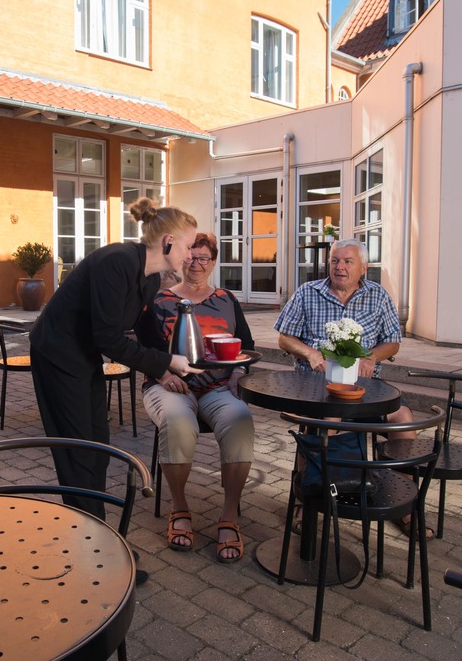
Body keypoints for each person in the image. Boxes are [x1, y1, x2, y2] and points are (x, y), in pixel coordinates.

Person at [30, 198, 203, 523]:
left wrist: (167, 367)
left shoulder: (149, 275)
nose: (192, 255)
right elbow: (108, 339)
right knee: (78, 451)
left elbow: (145, 325)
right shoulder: (117, 263)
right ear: (168, 241)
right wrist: (164, 362)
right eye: (189, 246)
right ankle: (91, 545)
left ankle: (94, 537)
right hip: (57, 353)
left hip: (83, 353)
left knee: (98, 442)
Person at [273, 238, 428, 537]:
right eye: (335, 261)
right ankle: (309, 500)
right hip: (317, 387)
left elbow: (393, 340)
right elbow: (284, 338)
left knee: (403, 419)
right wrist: (310, 353)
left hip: (365, 386)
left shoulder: (378, 296)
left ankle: (404, 503)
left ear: (363, 267)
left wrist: (372, 356)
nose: (339, 267)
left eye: (347, 262)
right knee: (325, 424)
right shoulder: (308, 293)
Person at [135, 232, 254, 563]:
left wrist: (238, 376)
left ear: (213, 263)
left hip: (219, 387)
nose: (196, 264)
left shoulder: (227, 300)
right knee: (177, 421)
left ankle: (228, 515)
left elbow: (247, 346)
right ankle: (179, 506)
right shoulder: (160, 302)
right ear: (181, 258)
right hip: (170, 385)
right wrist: (163, 373)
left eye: (204, 258)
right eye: (191, 256)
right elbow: (141, 349)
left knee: (240, 419)